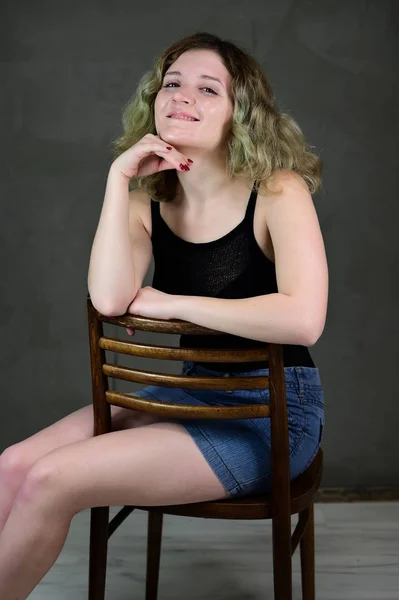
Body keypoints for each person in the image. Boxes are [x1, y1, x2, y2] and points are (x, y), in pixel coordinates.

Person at [0, 32, 328, 597]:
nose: (183, 96)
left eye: (208, 89)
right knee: (12, 465)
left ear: (239, 114)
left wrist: (168, 303)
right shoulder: (146, 195)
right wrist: (118, 179)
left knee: (52, 480)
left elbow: (303, 319)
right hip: (191, 393)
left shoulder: (278, 191)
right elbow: (109, 298)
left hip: (272, 413)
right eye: (172, 83)